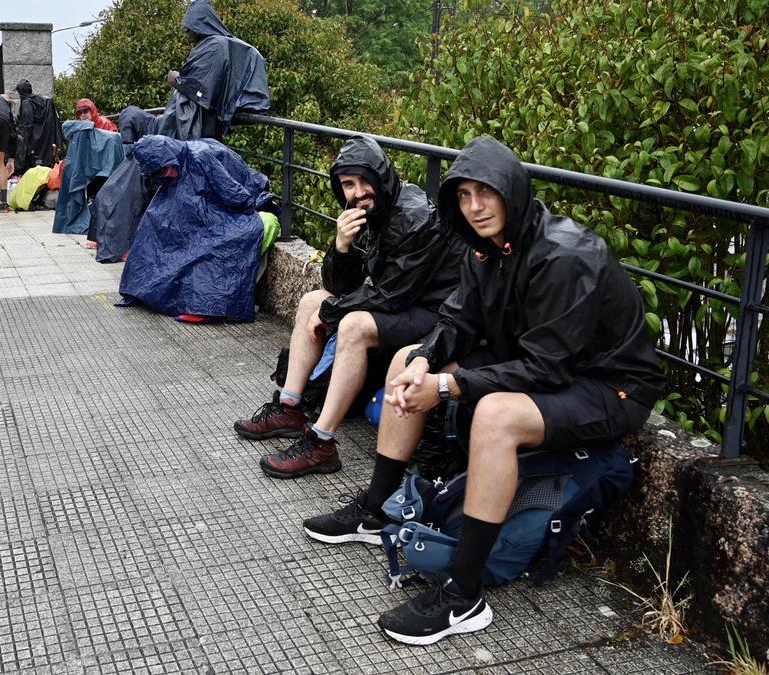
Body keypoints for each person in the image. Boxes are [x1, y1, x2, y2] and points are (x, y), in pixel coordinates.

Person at [304, 136, 666, 645]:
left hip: (610, 388)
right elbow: (457, 319)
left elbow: (545, 369)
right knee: (408, 362)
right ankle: (374, 507)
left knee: (496, 415)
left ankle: (463, 596)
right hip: (536, 361)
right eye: (464, 195)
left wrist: (449, 386)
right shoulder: (485, 249)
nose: (474, 207)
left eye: (486, 193)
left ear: (512, 191)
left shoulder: (564, 256)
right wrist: (426, 359)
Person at [235, 135, 464, 479]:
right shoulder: (367, 213)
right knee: (312, 300)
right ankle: (290, 407)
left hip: (437, 314)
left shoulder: (415, 218)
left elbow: (392, 295)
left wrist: (331, 313)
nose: (357, 192)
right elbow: (338, 286)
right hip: (404, 303)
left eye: (363, 181)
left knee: (353, 324)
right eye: (347, 185)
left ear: (381, 176)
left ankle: (322, 442)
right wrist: (341, 246)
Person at [157, 0, 269, 140]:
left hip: (203, 126)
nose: (186, 30)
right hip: (209, 125)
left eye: (190, 25)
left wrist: (177, 80)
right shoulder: (217, 44)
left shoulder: (214, 46)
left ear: (201, 24)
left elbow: (202, 91)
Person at [14, 79, 62, 173]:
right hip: (47, 141)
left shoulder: (26, 103)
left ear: (21, 91)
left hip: (34, 145)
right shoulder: (45, 100)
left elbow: (27, 125)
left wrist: (23, 142)